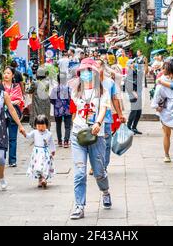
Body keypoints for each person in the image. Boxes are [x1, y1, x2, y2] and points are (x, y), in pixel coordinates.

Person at [69, 58, 112, 220]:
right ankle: (79, 206)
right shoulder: (75, 91)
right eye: (83, 71)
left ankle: (105, 191)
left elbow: (102, 110)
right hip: (78, 135)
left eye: (89, 71)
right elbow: (74, 111)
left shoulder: (103, 92)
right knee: (80, 172)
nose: (86, 74)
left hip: (96, 136)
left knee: (99, 172)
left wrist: (98, 123)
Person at [96, 59, 126, 171]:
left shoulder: (110, 83)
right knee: (94, 143)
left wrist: (120, 115)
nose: (97, 69)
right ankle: (95, 165)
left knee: (107, 144)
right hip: (93, 118)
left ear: (103, 68)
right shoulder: (89, 82)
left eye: (99, 67)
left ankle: (103, 165)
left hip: (107, 118)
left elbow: (114, 98)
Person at [151, 58, 173, 165]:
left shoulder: (161, 81)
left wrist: (157, 106)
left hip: (165, 111)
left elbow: (157, 98)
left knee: (166, 134)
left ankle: (167, 155)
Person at [3, 66, 24, 167]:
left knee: (12, 138)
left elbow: (19, 100)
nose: (6, 75)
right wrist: (11, 101)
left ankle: (12, 160)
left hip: (13, 114)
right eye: (5, 73)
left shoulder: (16, 86)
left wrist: (8, 101)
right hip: (1, 114)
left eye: (8, 73)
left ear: (12, 75)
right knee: (2, 138)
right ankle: (1, 159)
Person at [26, 114, 56, 188]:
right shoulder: (35, 132)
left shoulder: (49, 134)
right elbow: (28, 136)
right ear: (36, 125)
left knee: (45, 166)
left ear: (46, 125)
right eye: (39, 126)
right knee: (38, 166)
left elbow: (51, 143)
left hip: (45, 152)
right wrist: (23, 133)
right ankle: (40, 179)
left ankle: (43, 179)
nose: (41, 128)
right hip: (36, 153)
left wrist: (53, 151)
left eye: (43, 126)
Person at [50, 73, 73, 148]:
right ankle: (66, 142)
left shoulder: (54, 89)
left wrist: (57, 104)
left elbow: (51, 99)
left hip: (57, 109)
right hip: (67, 109)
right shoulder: (68, 89)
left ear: (58, 80)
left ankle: (59, 141)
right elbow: (71, 99)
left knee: (58, 125)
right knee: (67, 126)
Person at [125, 59, 143, 135]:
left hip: (137, 93)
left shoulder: (134, 71)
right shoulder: (129, 73)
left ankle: (134, 127)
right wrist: (133, 92)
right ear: (129, 65)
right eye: (132, 63)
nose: (134, 63)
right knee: (134, 111)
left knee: (138, 112)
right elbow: (128, 83)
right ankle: (128, 127)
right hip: (134, 94)